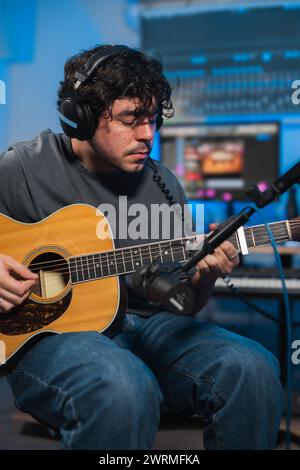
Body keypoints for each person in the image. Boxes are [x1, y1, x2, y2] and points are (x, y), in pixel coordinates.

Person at [0, 44, 282, 450]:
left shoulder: (163, 182)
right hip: (54, 336)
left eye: (152, 120)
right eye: (131, 120)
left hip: (151, 326)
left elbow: (184, 301)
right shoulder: (23, 168)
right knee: (122, 385)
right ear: (81, 117)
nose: (147, 134)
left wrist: (204, 277)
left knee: (252, 367)